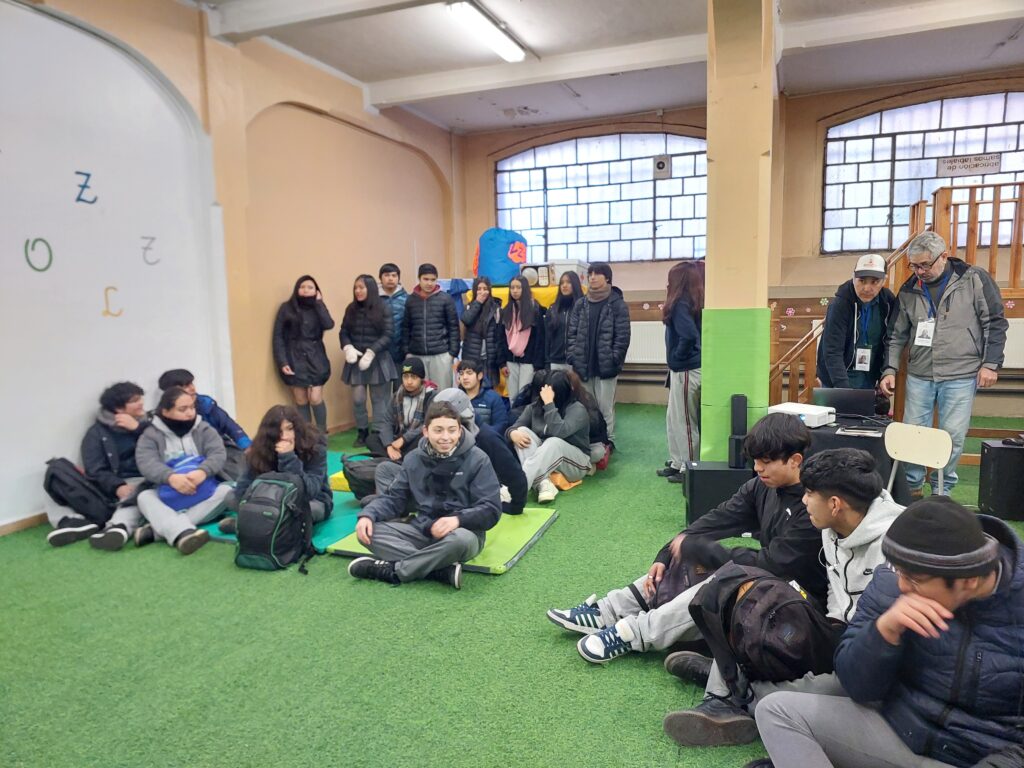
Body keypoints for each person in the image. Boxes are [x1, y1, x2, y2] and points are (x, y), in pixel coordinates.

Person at [754, 497, 1024, 768]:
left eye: (915, 580)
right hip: (900, 731)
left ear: (968, 581)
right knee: (777, 711)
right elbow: (856, 686)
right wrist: (883, 632)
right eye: (900, 572)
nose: (902, 586)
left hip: (979, 754)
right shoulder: (891, 581)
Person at [662, 448, 904, 747]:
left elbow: (893, 643)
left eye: (809, 493)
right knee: (748, 597)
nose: (803, 500)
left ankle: (732, 691)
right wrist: (826, 628)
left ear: (835, 504)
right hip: (840, 632)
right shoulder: (832, 526)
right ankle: (728, 683)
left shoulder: (895, 547)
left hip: (875, 658)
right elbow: (835, 590)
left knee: (815, 691)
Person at [546, 413, 826, 663]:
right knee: (689, 553)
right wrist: (667, 554)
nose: (757, 468)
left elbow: (771, 564)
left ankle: (635, 633)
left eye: (766, 462)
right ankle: (609, 611)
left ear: (795, 461)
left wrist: (707, 552)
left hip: (800, 603)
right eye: (755, 461)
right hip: (769, 581)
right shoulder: (761, 487)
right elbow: (712, 522)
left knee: (727, 577)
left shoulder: (812, 506)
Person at [879, 231, 1007, 496]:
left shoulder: (974, 279)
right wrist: (890, 369)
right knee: (914, 431)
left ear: (944, 257)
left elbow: (995, 322)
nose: (919, 271)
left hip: (961, 373)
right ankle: (913, 488)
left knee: (952, 435)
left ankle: (942, 490)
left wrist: (991, 363)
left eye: (925, 264)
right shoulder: (909, 288)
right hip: (920, 374)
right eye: (914, 265)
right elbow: (896, 334)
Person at [349, 400, 502, 589]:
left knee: (461, 540)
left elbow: (492, 509)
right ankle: (437, 570)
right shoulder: (413, 459)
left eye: (452, 430)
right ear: (425, 431)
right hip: (422, 529)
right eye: (438, 430)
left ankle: (396, 571)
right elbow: (394, 499)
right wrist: (368, 515)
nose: (446, 437)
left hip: (462, 534)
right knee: (368, 532)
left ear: (460, 431)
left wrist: (457, 520)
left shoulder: (478, 459)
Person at [45, 382, 149, 550]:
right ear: (119, 409)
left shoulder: (149, 425)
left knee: (139, 493)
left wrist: (138, 428)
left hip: (142, 480)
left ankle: (117, 528)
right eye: (135, 400)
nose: (141, 403)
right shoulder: (96, 433)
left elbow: (163, 448)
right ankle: (70, 522)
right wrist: (117, 486)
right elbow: (94, 469)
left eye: (141, 398)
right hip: (109, 485)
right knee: (54, 476)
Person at [133, 386, 232, 555]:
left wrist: (202, 472)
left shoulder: (204, 429)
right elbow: (146, 462)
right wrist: (171, 478)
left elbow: (218, 454)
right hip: (169, 491)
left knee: (228, 490)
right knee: (144, 497)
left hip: (203, 488)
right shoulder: (150, 435)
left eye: (192, 407)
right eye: (182, 409)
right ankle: (182, 532)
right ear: (165, 411)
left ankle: (161, 532)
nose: (190, 413)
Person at [219, 404, 333, 532]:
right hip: (270, 500)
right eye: (279, 432)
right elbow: (242, 489)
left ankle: (248, 524)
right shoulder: (261, 447)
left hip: (309, 501)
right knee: (230, 497)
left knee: (313, 510)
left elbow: (311, 490)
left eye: (290, 429)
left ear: (298, 428)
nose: (285, 436)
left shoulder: (315, 445)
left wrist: (288, 457)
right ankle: (266, 523)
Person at [433, 388, 527, 516]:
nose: (445, 435)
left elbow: (514, 475)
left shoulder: (487, 439)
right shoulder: (433, 439)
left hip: (475, 502)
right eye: (439, 427)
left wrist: (516, 506)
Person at [567, 262, 631, 445]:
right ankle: (590, 440)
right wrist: (573, 357)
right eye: (590, 274)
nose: (592, 277)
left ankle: (607, 442)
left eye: (597, 274)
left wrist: (614, 359)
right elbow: (571, 334)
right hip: (583, 365)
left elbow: (623, 336)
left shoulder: (617, 304)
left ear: (607, 278)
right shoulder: (581, 304)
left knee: (605, 408)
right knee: (587, 407)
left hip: (606, 367)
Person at [507, 370, 592, 504]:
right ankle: (544, 484)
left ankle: (516, 488)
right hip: (547, 458)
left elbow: (559, 432)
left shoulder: (577, 409)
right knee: (522, 431)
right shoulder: (534, 407)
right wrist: (512, 433)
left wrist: (549, 405)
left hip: (576, 463)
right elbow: (515, 426)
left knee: (553, 442)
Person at [816, 253, 898, 391]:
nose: (866, 288)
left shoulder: (888, 302)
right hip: (838, 378)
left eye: (875, 282)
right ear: (853, 277)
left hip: (869, 377)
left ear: (884, 281)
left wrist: (885, 372)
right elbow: (832, 350)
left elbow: (891, 339)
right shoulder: (840, 304)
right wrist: (843, 389)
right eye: (862, 280)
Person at [157, 369, 251, 480]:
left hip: (219, 448)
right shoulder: (162, 416)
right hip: (185, 459)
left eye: (191, 383)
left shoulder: (206, 404)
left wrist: (247, 446)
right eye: (185, 386)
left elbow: (230, 426)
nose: (192, 388)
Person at [339, 274, 398, 447]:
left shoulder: (383, 308)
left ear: (370, 289)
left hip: (378, 359)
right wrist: (347, 347)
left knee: (379, 400)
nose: (358, 291)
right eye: (356, 287)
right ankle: (362, 431)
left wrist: (372, 351)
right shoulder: (351, 308)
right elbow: (344, 331)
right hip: (357, 360)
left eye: (361, 287)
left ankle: (378, 434)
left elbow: (388, 334)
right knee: (358, 398)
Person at [659, 261, 704, 484]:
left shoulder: (680, 303)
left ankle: (689, 468)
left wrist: (678, 356)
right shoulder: (692, 301)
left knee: (685, 421)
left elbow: (688, 336)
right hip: (683, 368)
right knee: (674, 418)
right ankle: (677, 462)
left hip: (687, 368)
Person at [272, 274, 335, 432]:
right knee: (300, 399)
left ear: (316, 291)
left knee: (315, 397)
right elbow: (278, 336)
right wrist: (283, 361)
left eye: (310, 287)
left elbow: (329, 324)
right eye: (302, 287)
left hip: (316, 356)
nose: (306, 290)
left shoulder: (318, 307)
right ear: (297, 289)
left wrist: (319, 303)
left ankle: (321, 433)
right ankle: (305, 435)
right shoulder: (286, 308)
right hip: (294, 357)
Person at [365, 357, 437, 461]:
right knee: (372, 439)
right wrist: (389, 446)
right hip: (397, 439)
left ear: (421, 378)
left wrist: (404, 439)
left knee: (425, 437)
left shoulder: (430, 396)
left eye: (413, 377)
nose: (409, 381)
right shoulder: (397, 396)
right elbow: (387, 421)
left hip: (412, 440)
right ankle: (395, 458)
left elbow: (427, 424)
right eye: (406, 377)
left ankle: (395, 460)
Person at [401, 262, 459, 389]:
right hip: (417, 354)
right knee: (420, 393)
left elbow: (453, 327)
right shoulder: (411, 300)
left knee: (442, 394)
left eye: (433, 279)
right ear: (419, 279)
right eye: (425, 279)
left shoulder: (446, 299)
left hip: (441, 355)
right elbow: (406, 327)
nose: (429, 283)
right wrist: (407, 352)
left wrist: (452, 353)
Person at [500, 275, 546, 401]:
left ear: (525, 289)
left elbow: (540, 339)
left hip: (529, 361)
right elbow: (501, 338)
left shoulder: (534, 310)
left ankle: (524, 421)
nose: (515, 291)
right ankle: (514, 421)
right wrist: (502, 363)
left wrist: (537, 365)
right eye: (512, 287)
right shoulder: (506, 310)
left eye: (518, 287)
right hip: (510, 360)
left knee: (525, 396)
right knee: (512, 398)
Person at [460, 276, 503, 388]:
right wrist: (477, 303)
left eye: (485, 289)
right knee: (472, 388)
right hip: (472, 357)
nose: (482, 292)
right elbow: (466, 319)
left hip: (490, 359)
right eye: (479, 289)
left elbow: (499, 335)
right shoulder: (470, 306)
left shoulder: (496, 308)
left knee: (489, 389)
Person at [457, 357, 510, 434]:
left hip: (485, 441)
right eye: (461, 374)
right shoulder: (456, 397)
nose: (465, 377)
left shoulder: (493, 397)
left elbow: (501, 425)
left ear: (480, 375)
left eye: (469, 373)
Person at [545, 271, 584, 373]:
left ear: (575, 285)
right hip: (555, 362)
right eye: (562, 283)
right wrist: (547, 361)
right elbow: (547, 338)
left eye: (568, 282)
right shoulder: (553, 309)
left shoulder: (583, 308)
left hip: (577, 363)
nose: (564, 285)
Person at [378, 263, 408, 377]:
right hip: (380, 353)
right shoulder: (373, 299)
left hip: (401, 352)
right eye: (386, 275)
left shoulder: (407, 299)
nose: (390, 278)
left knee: (400, 389)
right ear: (380, 278)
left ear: (398, 278)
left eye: (394, 275)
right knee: (382, 392)